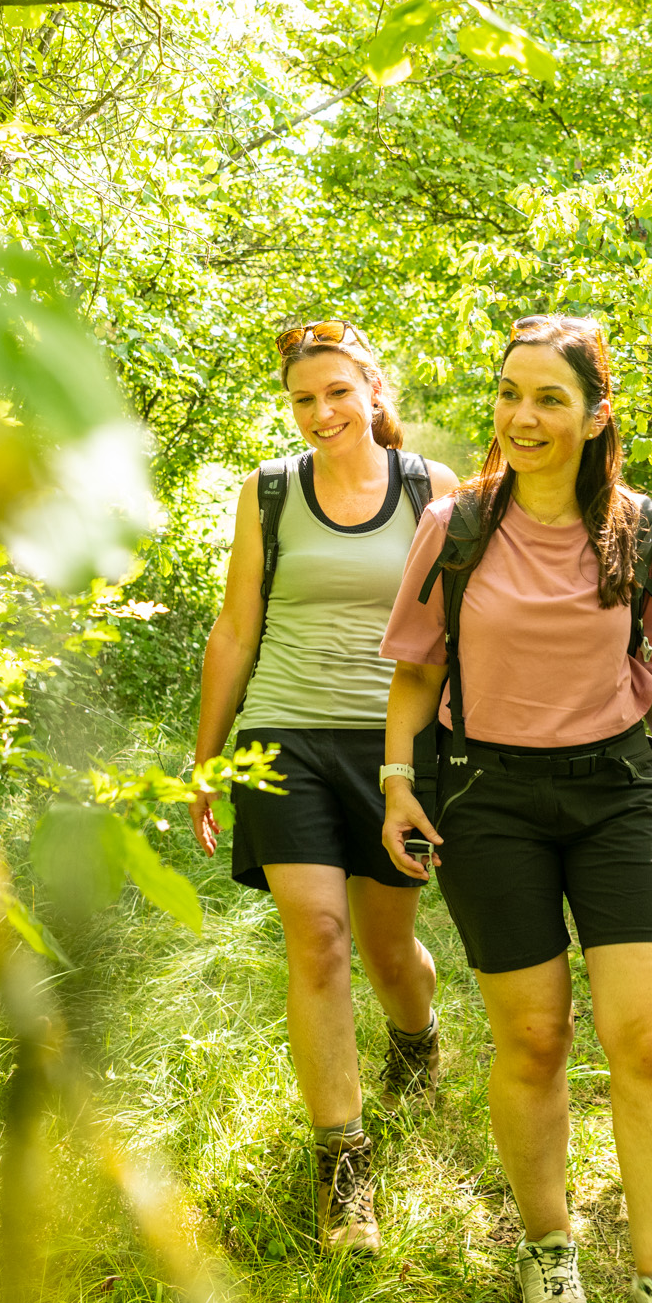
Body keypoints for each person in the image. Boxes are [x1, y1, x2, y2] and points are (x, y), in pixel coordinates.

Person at [378, 314, 652, 1303]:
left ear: (594, 415)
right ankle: (549, 1245)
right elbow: (416, 670)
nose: (522, 417)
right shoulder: (457, 525)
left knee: (648, 1038)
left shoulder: (633, 525)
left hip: (620, 792)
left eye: (549, 399)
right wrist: (398, 782)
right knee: (532, 1039)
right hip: (488, 796)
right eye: (508, 394)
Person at [189, 318, 460, 1255]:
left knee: (390, 949)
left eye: (337, 392)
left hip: (398, 746)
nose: (321, 413)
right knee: (319, 936)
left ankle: (418, 1042)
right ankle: (345, 1169)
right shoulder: (268, 492)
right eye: (303, 399)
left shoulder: (432, 488)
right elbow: (234, 630)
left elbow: (462, 633)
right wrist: (208, 758)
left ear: (372, 390)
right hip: (285, 734)